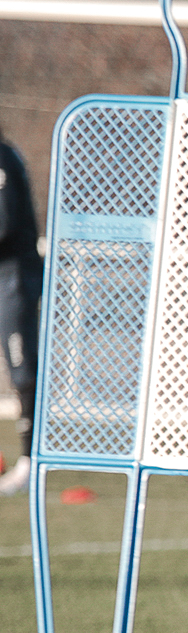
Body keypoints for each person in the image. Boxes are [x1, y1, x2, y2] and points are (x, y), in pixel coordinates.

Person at [0, 124, 43, 496]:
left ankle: (31, 462)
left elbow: (5, 225)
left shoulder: (3, 158)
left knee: (22, 366)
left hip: (13, 278)